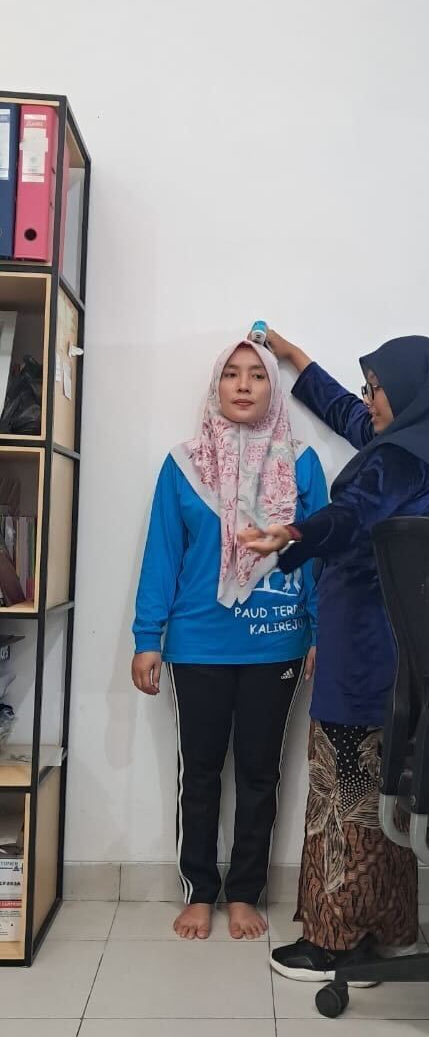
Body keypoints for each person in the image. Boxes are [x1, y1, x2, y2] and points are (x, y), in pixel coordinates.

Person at [241, 329, 429, 979]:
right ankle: (391, 930)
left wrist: (294, 532)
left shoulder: (392, 464)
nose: (368, 400)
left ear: (409, 393)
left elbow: (351, 517)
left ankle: (332, 942)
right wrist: (295, 360)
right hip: (403, 649)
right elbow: (351, 416)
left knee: (344, 791)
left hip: (362, 648)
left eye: (377, 389)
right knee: (386, 790)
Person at [132, 341, 327, 941]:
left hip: (276, 642)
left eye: (257, 376)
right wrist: (147, 636)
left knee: (260, 773)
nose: (243, 386)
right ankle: (199, 890)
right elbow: (162, 553)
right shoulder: (183, 464)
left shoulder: (302, 464)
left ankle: (245, 892)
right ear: (216, 386)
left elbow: (321, 554)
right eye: (232, 375)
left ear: (273, 389)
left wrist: (320, 630)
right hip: (198, 644)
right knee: (201, 772)